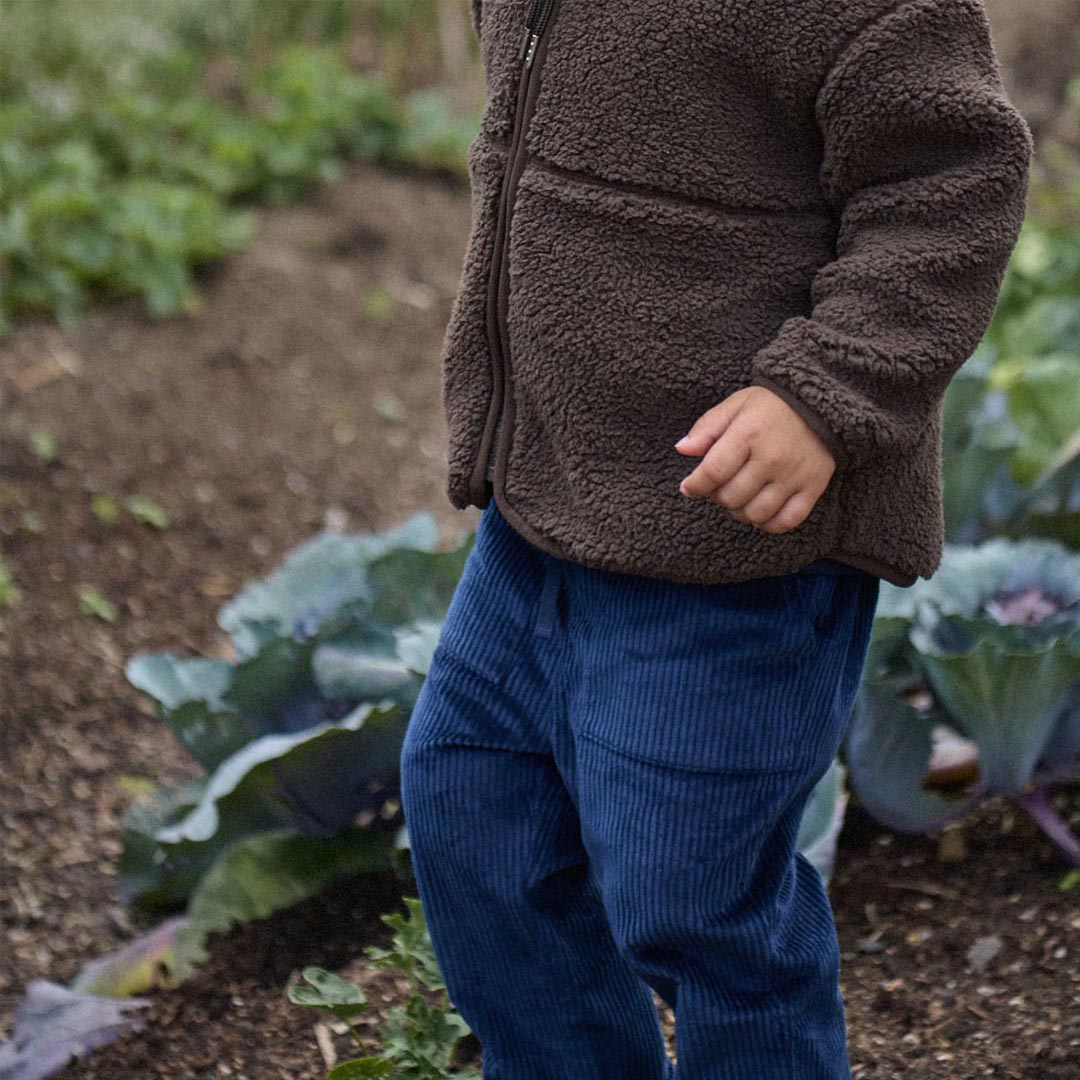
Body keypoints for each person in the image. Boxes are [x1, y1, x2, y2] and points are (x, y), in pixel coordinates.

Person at [400, 1, 1033, 1077]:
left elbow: (953, 184)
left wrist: (825, 392)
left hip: (730, 551)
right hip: (541, 512)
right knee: (472, 816)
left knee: (691, 901)